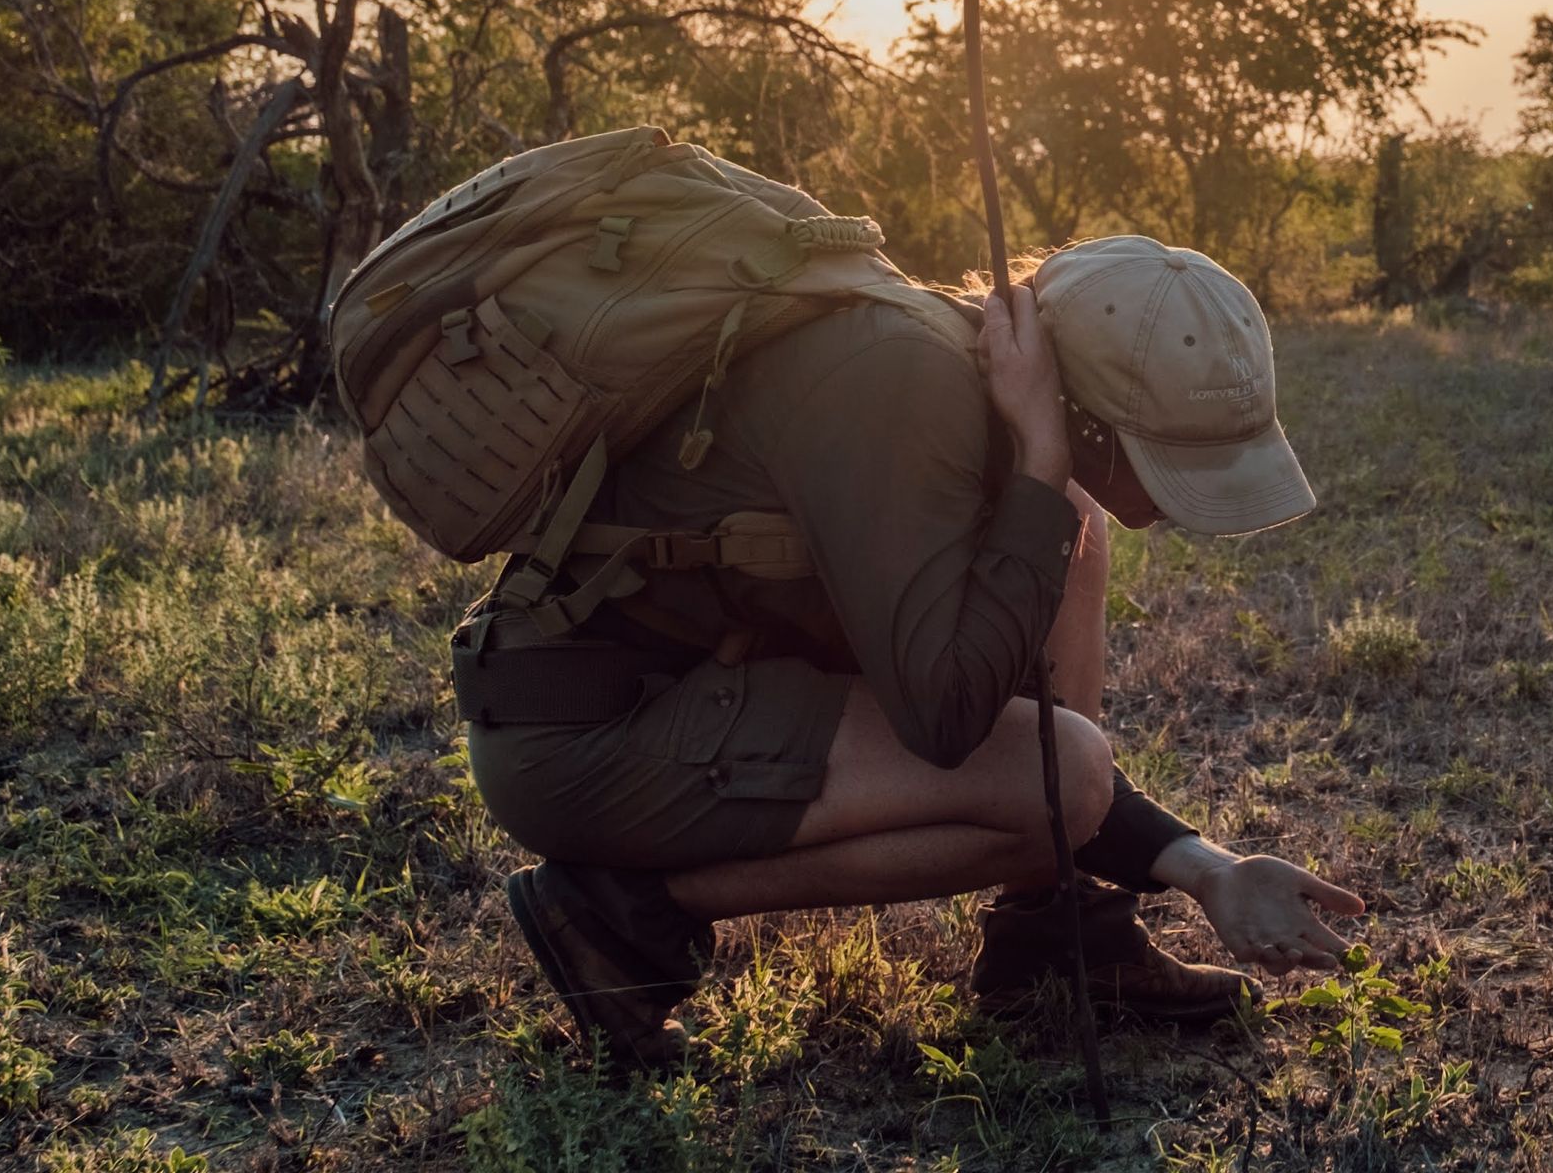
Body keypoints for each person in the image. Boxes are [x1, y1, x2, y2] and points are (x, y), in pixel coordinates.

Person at [458, 234, 1365, 1068]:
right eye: (1164, 460)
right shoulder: (903, 386)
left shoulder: (951, 370)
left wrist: (1212, 873)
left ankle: (1059, 933)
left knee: (1071, 533)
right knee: (1068, 754)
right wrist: (1043, 465)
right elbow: (953, 723)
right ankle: (622, 916)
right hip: (587, 736)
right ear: (1077, 410)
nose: (1176, 505)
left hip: (709, 687)